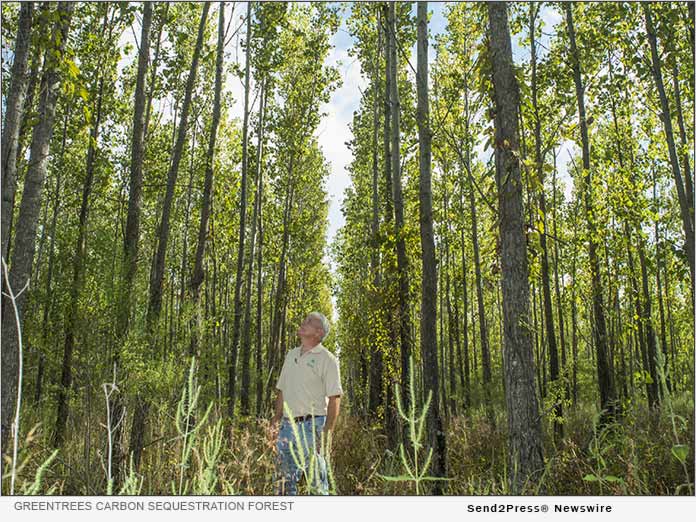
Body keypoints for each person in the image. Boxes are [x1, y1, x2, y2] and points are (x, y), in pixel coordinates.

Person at [270, 311, 343, 495]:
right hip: (287, 427)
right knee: (282, 485)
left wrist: (325, 434)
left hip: (313, 427)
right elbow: (282, 390)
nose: (303, 322)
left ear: (318, 333)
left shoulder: (328, 360)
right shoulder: (291, 355)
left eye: (309, 321)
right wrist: (276, 420)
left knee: (316, 486)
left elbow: (335, 398)